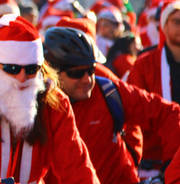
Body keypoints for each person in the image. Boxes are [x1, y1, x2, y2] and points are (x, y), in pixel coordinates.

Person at [0, 14, 99, 183]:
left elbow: (76, 166)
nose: (22, 78)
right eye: (12, 68)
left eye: (31, 69)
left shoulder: (54, 102)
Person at [43, 26, 180, 184]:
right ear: (50, 72)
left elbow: (170, 113)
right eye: (77, 73)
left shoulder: (107, 91)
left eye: (91, 70)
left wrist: (171, 166)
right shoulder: (36, 108)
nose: (87, 79)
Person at [128, 0, 180, 174]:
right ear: (164, 27)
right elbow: (134, 112)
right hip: (156, 160)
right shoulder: (144, 65)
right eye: (177, 22)